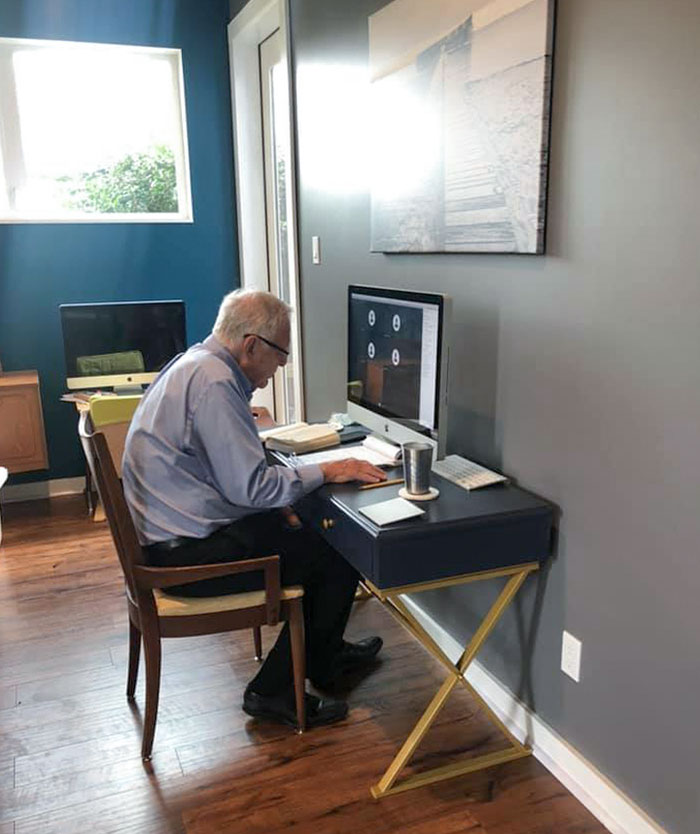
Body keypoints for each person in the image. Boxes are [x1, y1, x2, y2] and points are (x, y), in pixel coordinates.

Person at [122, 288, 387, 729]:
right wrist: (328, 470)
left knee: (309, 533)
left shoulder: (194, 363)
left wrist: (282, 499)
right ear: (251, 345)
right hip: (185, 559)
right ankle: (274, 690)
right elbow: (251, 488)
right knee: (337, 553)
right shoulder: (215, 383)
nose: (277, 369)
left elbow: (229, 476)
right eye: (280, 356)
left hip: (171, 535)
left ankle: (324, 655)